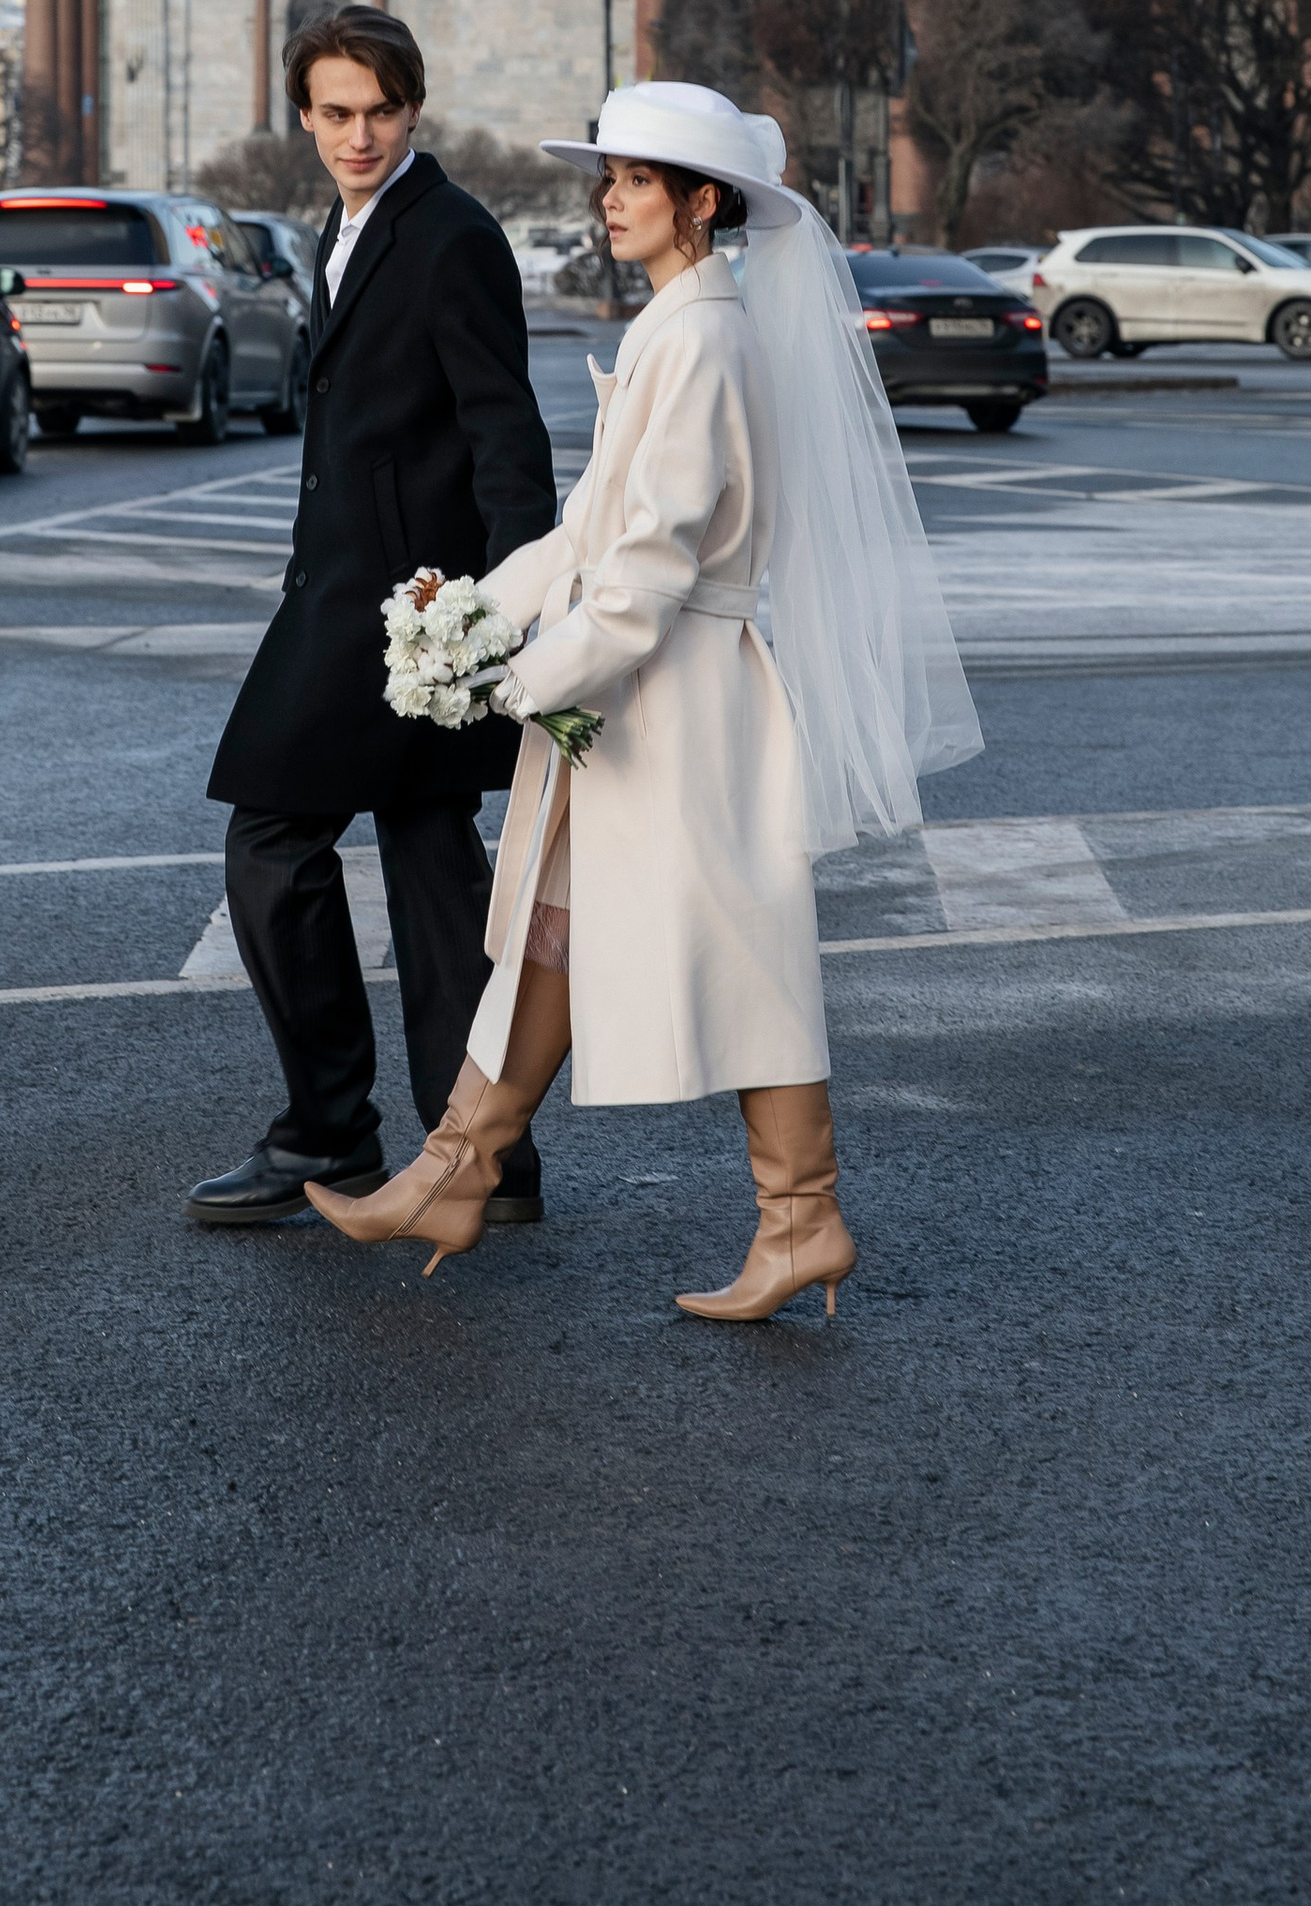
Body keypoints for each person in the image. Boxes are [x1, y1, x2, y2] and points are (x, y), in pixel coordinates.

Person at [310, 80, 982, 1319]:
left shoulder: (703, 337)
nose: (608, 203)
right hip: (639, 702)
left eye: (633, 183)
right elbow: (582, 537)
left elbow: (652, 570)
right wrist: (465, 618)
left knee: (742, 952)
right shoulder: (681, 325)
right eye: (607, 181)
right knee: (555, 930)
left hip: (681, 705)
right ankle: (458, 1169)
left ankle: (801, 1217)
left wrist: (518, 684)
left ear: (701, 202)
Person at [187, 6, 558, 1227]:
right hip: (356, 593)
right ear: (304, 114)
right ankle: (484, 1153)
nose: (358, 133)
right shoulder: (337, 230)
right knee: (428, 854)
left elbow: (506, 434)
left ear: (413, 109)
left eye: (380, 111)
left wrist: (506, 610)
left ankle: (328, 1131)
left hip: (410, 611)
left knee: (271, 837)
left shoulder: (449, 235)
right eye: (336, 112)